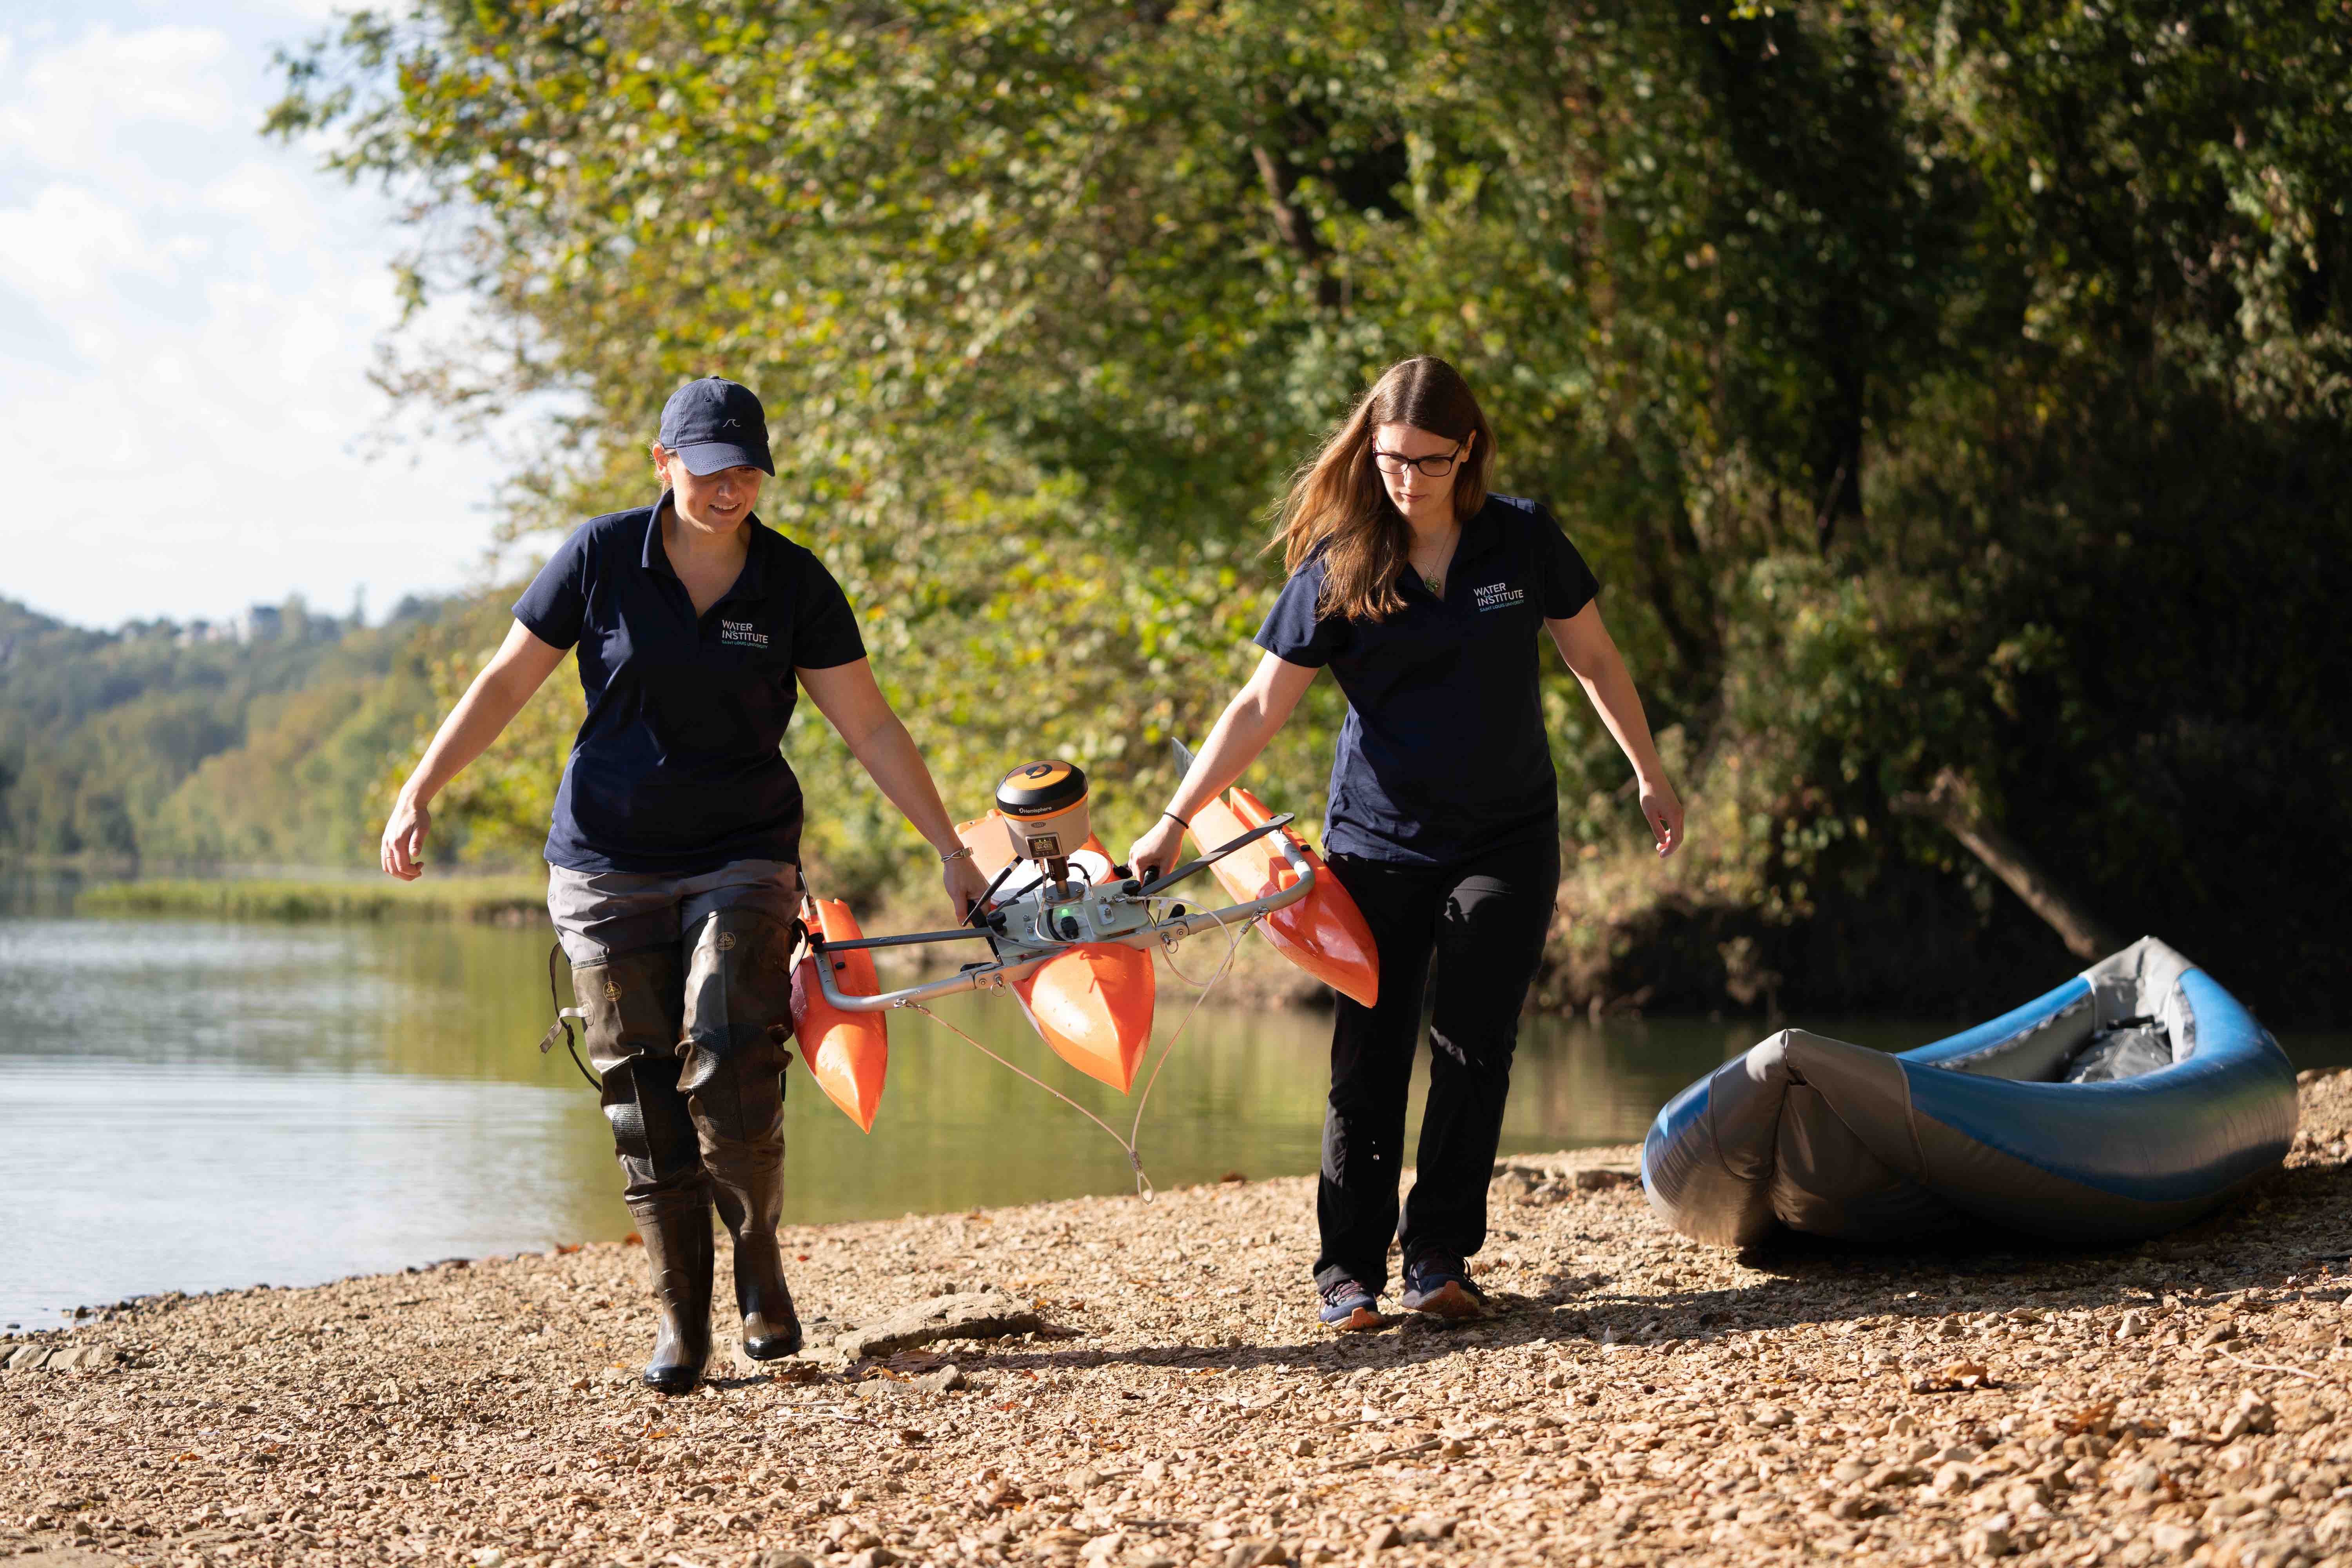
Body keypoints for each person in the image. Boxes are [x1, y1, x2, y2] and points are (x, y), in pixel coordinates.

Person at [380, 376, 991, 1392]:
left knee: (728, 1049)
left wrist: (950, 849)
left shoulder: (794, 584)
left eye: (746, 471)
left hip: (744, 852)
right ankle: (683, 1318)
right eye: (709, 470)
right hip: (605, 861)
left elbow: (871, 726)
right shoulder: (600, 559)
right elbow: (504, 680)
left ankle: (757, 1253)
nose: (728, 489)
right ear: (663, 464)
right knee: (640, 1094)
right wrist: (420, 789)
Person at [1127, 356, 1684, 1331]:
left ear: (1467, 450)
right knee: (1370, 1055)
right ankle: (1348, 1267)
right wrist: (1175, 820)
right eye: (1390, 459)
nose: (1408, 480)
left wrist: (1647, 767)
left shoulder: (1520, 537)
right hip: (1376, 844)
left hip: (1507, 835)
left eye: (1429, 462)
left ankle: (1438, 1250)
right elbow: (1260, 702)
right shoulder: (1341, 563)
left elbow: (1592, 655)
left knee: (1476, 1042)